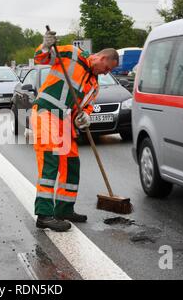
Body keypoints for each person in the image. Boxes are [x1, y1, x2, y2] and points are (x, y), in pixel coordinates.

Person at [31, 30, 119, 232]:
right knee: (50, 160)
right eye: (107, 68)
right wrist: (46, 45)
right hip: (46, 113)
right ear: (101, 57)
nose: (106, 73)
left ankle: (64, 208)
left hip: (64, 122)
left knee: (71, 162)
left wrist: (85, 117)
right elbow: (41, 58)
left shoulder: (94, 85)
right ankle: (44, 214)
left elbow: (86, 108)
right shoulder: (72, 54)